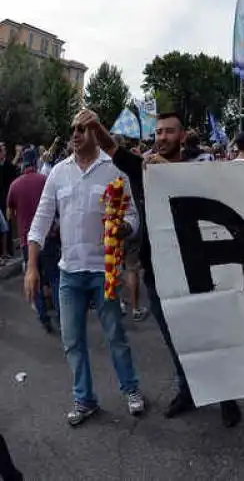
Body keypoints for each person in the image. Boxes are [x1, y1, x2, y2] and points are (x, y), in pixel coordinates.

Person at [89, 110, 243, 428]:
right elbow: (110, 148)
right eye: (158, 132)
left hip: (198, 270)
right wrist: (94, 124)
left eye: (169, 132)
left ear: (183, 136)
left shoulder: (202, 165)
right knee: (176, 339)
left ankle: (227, 397)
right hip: (158, 272)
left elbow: (218, 192)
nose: (162, 137)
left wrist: (172, 171)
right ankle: (188, 391)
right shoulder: (140, 165)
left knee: (210, 336)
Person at [25, 110, 146, 427]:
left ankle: (131, 389)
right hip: (69, 273)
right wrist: (31, 267)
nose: (75, 134)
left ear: (96, 132)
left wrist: (124, 229)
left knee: (115, 335)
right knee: (72, 341)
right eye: (73, 129)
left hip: (103, 272)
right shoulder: (58, 173)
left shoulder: (113, 169)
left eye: (83, 128)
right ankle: (85, 399)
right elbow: (40, 222)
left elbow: (133, 217)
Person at [7, 149, 60, 332]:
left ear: (22, 162)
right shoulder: (44, 180)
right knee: (54, 277)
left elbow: (10, 214)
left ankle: (43, 317)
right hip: (48, 238)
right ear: (35, 161)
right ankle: (62, 316)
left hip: (26, 241)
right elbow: (56, 205)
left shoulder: (14, 185)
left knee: (34, 279)